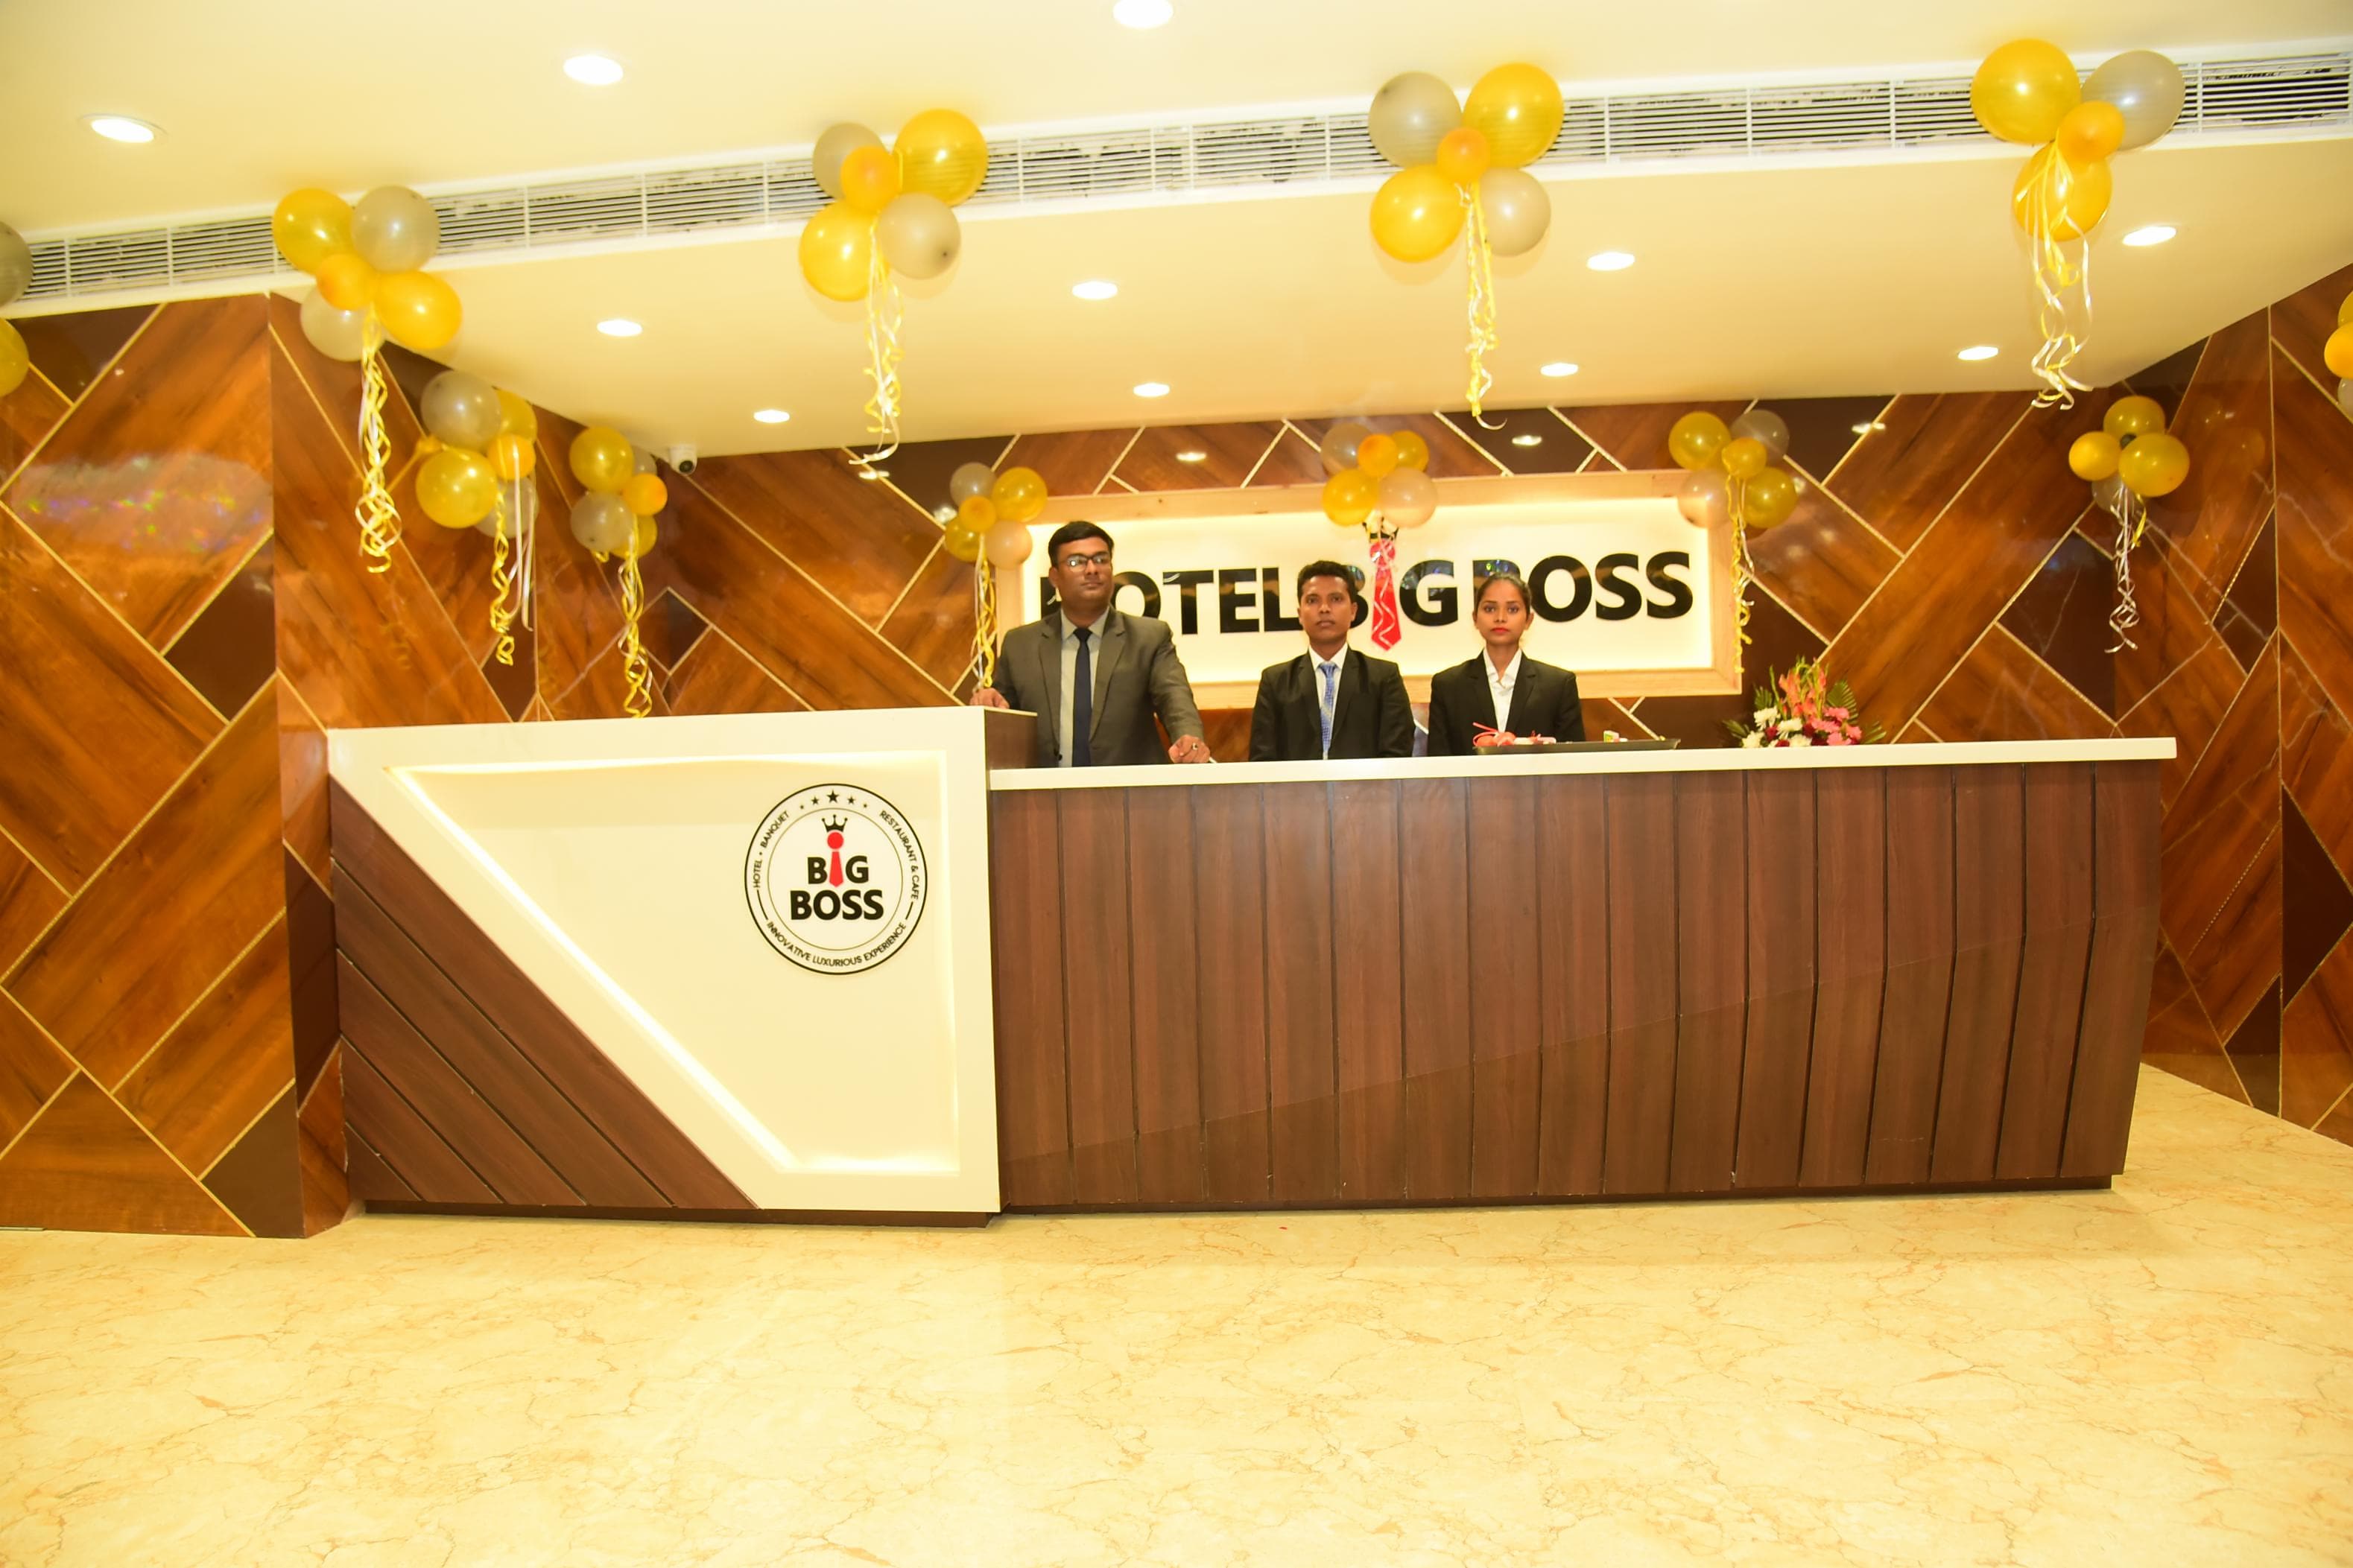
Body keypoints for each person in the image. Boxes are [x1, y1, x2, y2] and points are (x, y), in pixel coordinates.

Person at [971, 521, 1212, 766]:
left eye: (1101, 559)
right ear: (1054, 576)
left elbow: (1174, 698)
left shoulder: (1148, 637)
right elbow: (1004, 713)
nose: (1092, 569)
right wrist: (989, 705)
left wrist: (1188, 738)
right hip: (1044, 788)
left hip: (1129, 787)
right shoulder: (1020, 644)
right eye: (1076, 562)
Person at [1248, 560, 1413, 761]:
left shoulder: (1383, 677)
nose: (1324, 608)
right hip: (1296, 784)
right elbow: (1263, 760)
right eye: (1312, 600)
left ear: (1353, 611)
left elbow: (1396, 755)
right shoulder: (1276, 681)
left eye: (1336, 599)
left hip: (1366, 783)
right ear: (1300, 614)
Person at [1424, 570, 1586, 754]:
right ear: (1475, 618)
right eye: (1489, 609)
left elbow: (1575, 761)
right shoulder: (1448, 686)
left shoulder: (1558, 685)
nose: (1500, 618)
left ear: (1529, 620)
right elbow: (1439, 762)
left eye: (1512, 609)